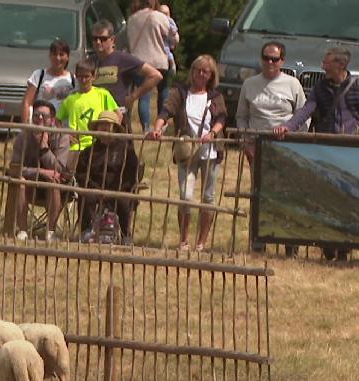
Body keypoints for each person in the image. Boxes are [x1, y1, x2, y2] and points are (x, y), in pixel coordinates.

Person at [275, 46, 359, 261]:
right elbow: (306, 109)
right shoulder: (321, 86)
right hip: (324, 150)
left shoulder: (356, 86)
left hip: (350, 153)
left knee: (346, 201)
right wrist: (288, 126)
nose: (323, 65)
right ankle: (328, 246)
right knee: (325, 198)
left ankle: (343, 248)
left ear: (340, 65)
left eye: (327, 62)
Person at [149, 55, 227, 253]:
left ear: (211, 75)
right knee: (185, 196)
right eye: (198, 70)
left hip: (210, 151)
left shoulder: (215, 96)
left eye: (205, 72)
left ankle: (202, 242)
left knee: (208, 197)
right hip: (186, 151)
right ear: (192, 71)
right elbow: (166, 112)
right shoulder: (180, 93)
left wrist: (213, 133)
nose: (201, 74)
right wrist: (157, 128)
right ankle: (184, 240)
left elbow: (221, 118)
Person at [236, 41, 306, 255]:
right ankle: (259, 241)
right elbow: (241, 117)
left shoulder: (293, 84)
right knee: (259, 195)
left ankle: (290, 245)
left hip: (286, 148)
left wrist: (296, 144)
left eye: (274, 59)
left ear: (282, 61)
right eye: (266, 57)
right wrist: (246, 143)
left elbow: (303, 116)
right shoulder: (249, 84)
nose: (269, 62)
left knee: (287, 196)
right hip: (258, 147)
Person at [7, 99, 72, 241]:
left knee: (54, 181)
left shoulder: (62, 137)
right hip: (30, 186)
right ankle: (23, 231)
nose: (40, 119)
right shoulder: (23, 137)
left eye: (44, 116)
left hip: (55, 188)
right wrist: (40, 172)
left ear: (53, 120)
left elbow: (59, 169)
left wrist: (44, 149)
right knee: (20, 181)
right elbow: (15, 168)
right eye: (36, 115)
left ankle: (50, 232)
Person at [76, 110, 142, 244]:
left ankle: (125, 235)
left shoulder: (125, 150)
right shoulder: (89, 152)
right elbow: (81, 173)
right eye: (101, 125)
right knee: (86, 197)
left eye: (108, 125)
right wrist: (94, 188)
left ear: (115, 128)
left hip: (118, 189)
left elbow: (133, 172)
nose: (104, 128)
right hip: (94, 188)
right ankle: (86, 231)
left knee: (124, 200)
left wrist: (121, 188)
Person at [89, 19, 161, 131]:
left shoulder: (123, 58)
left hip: (118, 117)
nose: (98, 42)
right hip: (96, 118)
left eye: (103, 39)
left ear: (112, 40)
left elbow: (155, 75)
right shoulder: (90, 62)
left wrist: (133, 97)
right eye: (95, 39)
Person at [126, 0, 171, 132]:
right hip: (159, 61)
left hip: (139, 62)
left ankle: (145, 127)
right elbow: (171, 37)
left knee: (144, 95)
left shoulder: (132, 19)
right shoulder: (160, 17)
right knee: (163, 93)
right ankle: (161, 124)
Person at [57, 59, 119, 152]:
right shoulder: (70, 99)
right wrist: (65, 136)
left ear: (93, 76)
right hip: (76, 147)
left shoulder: (103, 94)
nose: (83, 80)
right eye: (80, 76)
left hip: (98, 145)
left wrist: (111, 135)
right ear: (76, 76)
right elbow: (57, 120)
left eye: (87, 76)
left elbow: (117, 114)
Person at [20, 39, 75, 122]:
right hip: (41, 125)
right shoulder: (39, 75)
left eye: (61, 54)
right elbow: (27, 102)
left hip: (64, 127)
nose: (58, 58)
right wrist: (25, 128)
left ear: (68, 57)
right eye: (54, 54)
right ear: (49, 56)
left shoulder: (73, 79)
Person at [157, 4, 179, 111]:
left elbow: (174, 32)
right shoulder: (157, 21)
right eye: (162, 13)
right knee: (163, 88)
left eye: (166, 13)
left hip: (165, 46)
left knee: (163, 87)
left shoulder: (169, 21)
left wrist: (172, 33)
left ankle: (173, 64)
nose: (164, 16)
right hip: (161, 48)